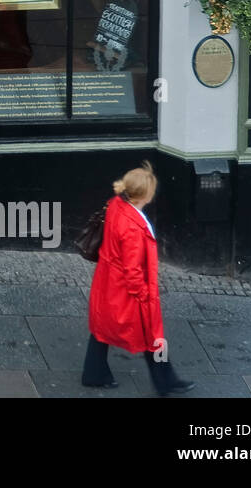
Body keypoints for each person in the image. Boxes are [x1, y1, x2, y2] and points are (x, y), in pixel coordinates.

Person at [83, 162, 195, 396]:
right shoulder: (133, 227)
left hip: (107, 282)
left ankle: (94, 373)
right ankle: (166, 381)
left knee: (102, 327)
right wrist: (145, 295)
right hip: (126, 290)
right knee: (153, 335)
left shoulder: (115, 204)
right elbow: (133, 269)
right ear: (144, 194)